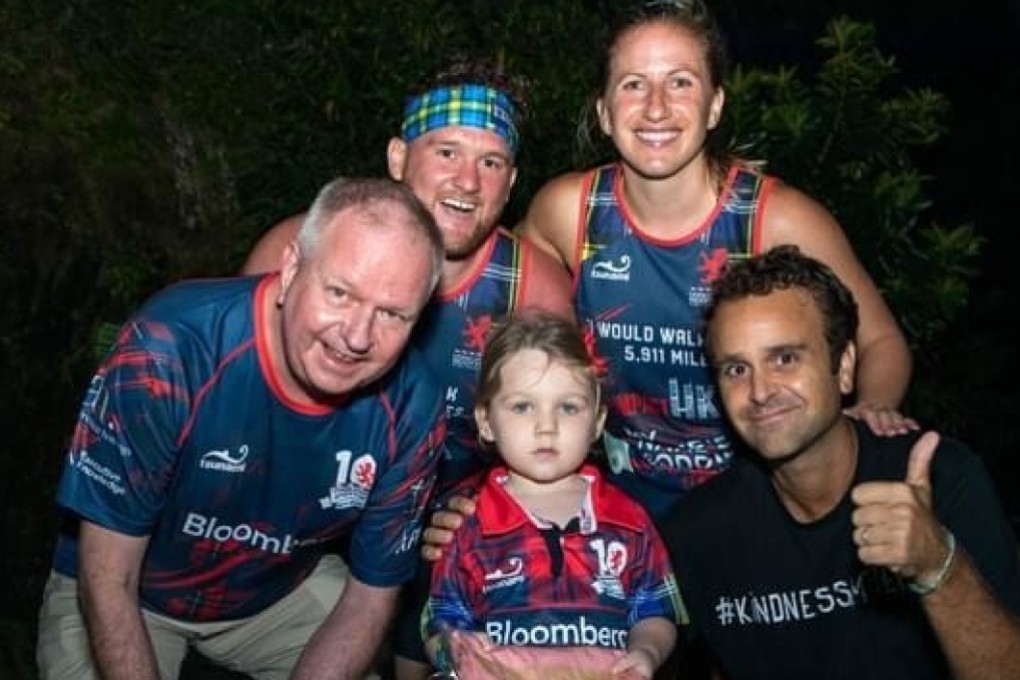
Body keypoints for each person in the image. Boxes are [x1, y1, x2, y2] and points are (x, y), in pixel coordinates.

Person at [36, 176, 447, 680]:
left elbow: (370, 595)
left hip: (276, 591)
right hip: (131, 586)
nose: (357, 337)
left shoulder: (414, 403)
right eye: (340, 293)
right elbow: (106, 577)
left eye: (392, 314)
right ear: (292, 267)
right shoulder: (170, 349)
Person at [517, 0, 916, 519]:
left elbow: (881, 341)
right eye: (633, 84)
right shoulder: (569, 213)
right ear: (603, 112)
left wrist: (871, 412)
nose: (656, 107)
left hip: (762, 499)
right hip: (623, 504)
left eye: (680, 82)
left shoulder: (775, 219)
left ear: (715, 106)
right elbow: (496, 323)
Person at [242, 57, 575, 680]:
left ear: (511, 184)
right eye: (446, 152)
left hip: (445, 530)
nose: (468, 181)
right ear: (398, 159)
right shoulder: (299, 253)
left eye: (491, 162)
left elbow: (564, 447)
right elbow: (234, 410)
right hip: (301, 519)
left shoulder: (534, 291)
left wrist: (498, 500)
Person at [657, 245, 1020, 679]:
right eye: (736, 369)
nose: (759, 391)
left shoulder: (941, 480)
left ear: (844, 366)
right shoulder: (697, 532)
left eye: (785, 359)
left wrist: (937, 566)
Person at [422, 311, 684, 679]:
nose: (547, 426)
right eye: (522, 406)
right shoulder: (467, 524)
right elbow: (439, 621)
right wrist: (457, 654)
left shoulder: (629, 519)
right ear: (485, 421)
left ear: (596, 421)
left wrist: (646, 652)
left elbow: (656, 611)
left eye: (568, 407)